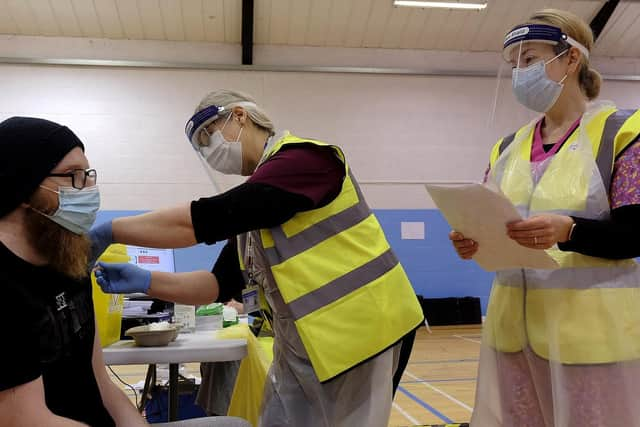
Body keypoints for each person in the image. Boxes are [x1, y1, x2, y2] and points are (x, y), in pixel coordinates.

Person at [90, 89, 424, 427]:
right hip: (304, 344)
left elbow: (207, 218)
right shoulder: (256, 211)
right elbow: (216, 285)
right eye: (200, 147)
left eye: (208, 136)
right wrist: (146, 282)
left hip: (362, 333)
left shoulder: (304, 161)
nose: (208, 151)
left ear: (239, 116)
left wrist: (111, 231)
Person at [450, 9, 640, 427]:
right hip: (512, 336)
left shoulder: (622, 132)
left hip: (591, 341)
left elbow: (636, 234)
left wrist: (570, 230)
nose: (520, 72)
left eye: (530, 59)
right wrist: (473, 240)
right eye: (514, 63)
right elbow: (493, 224)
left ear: (571, 59)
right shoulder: (507, 148)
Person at [0, 116, 250, 427]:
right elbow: (23, 418)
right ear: (22, 187)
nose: (88, 188)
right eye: (73, 176)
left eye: (89, 175)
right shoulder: (8, 287)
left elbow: (102, 386)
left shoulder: (70, 266)